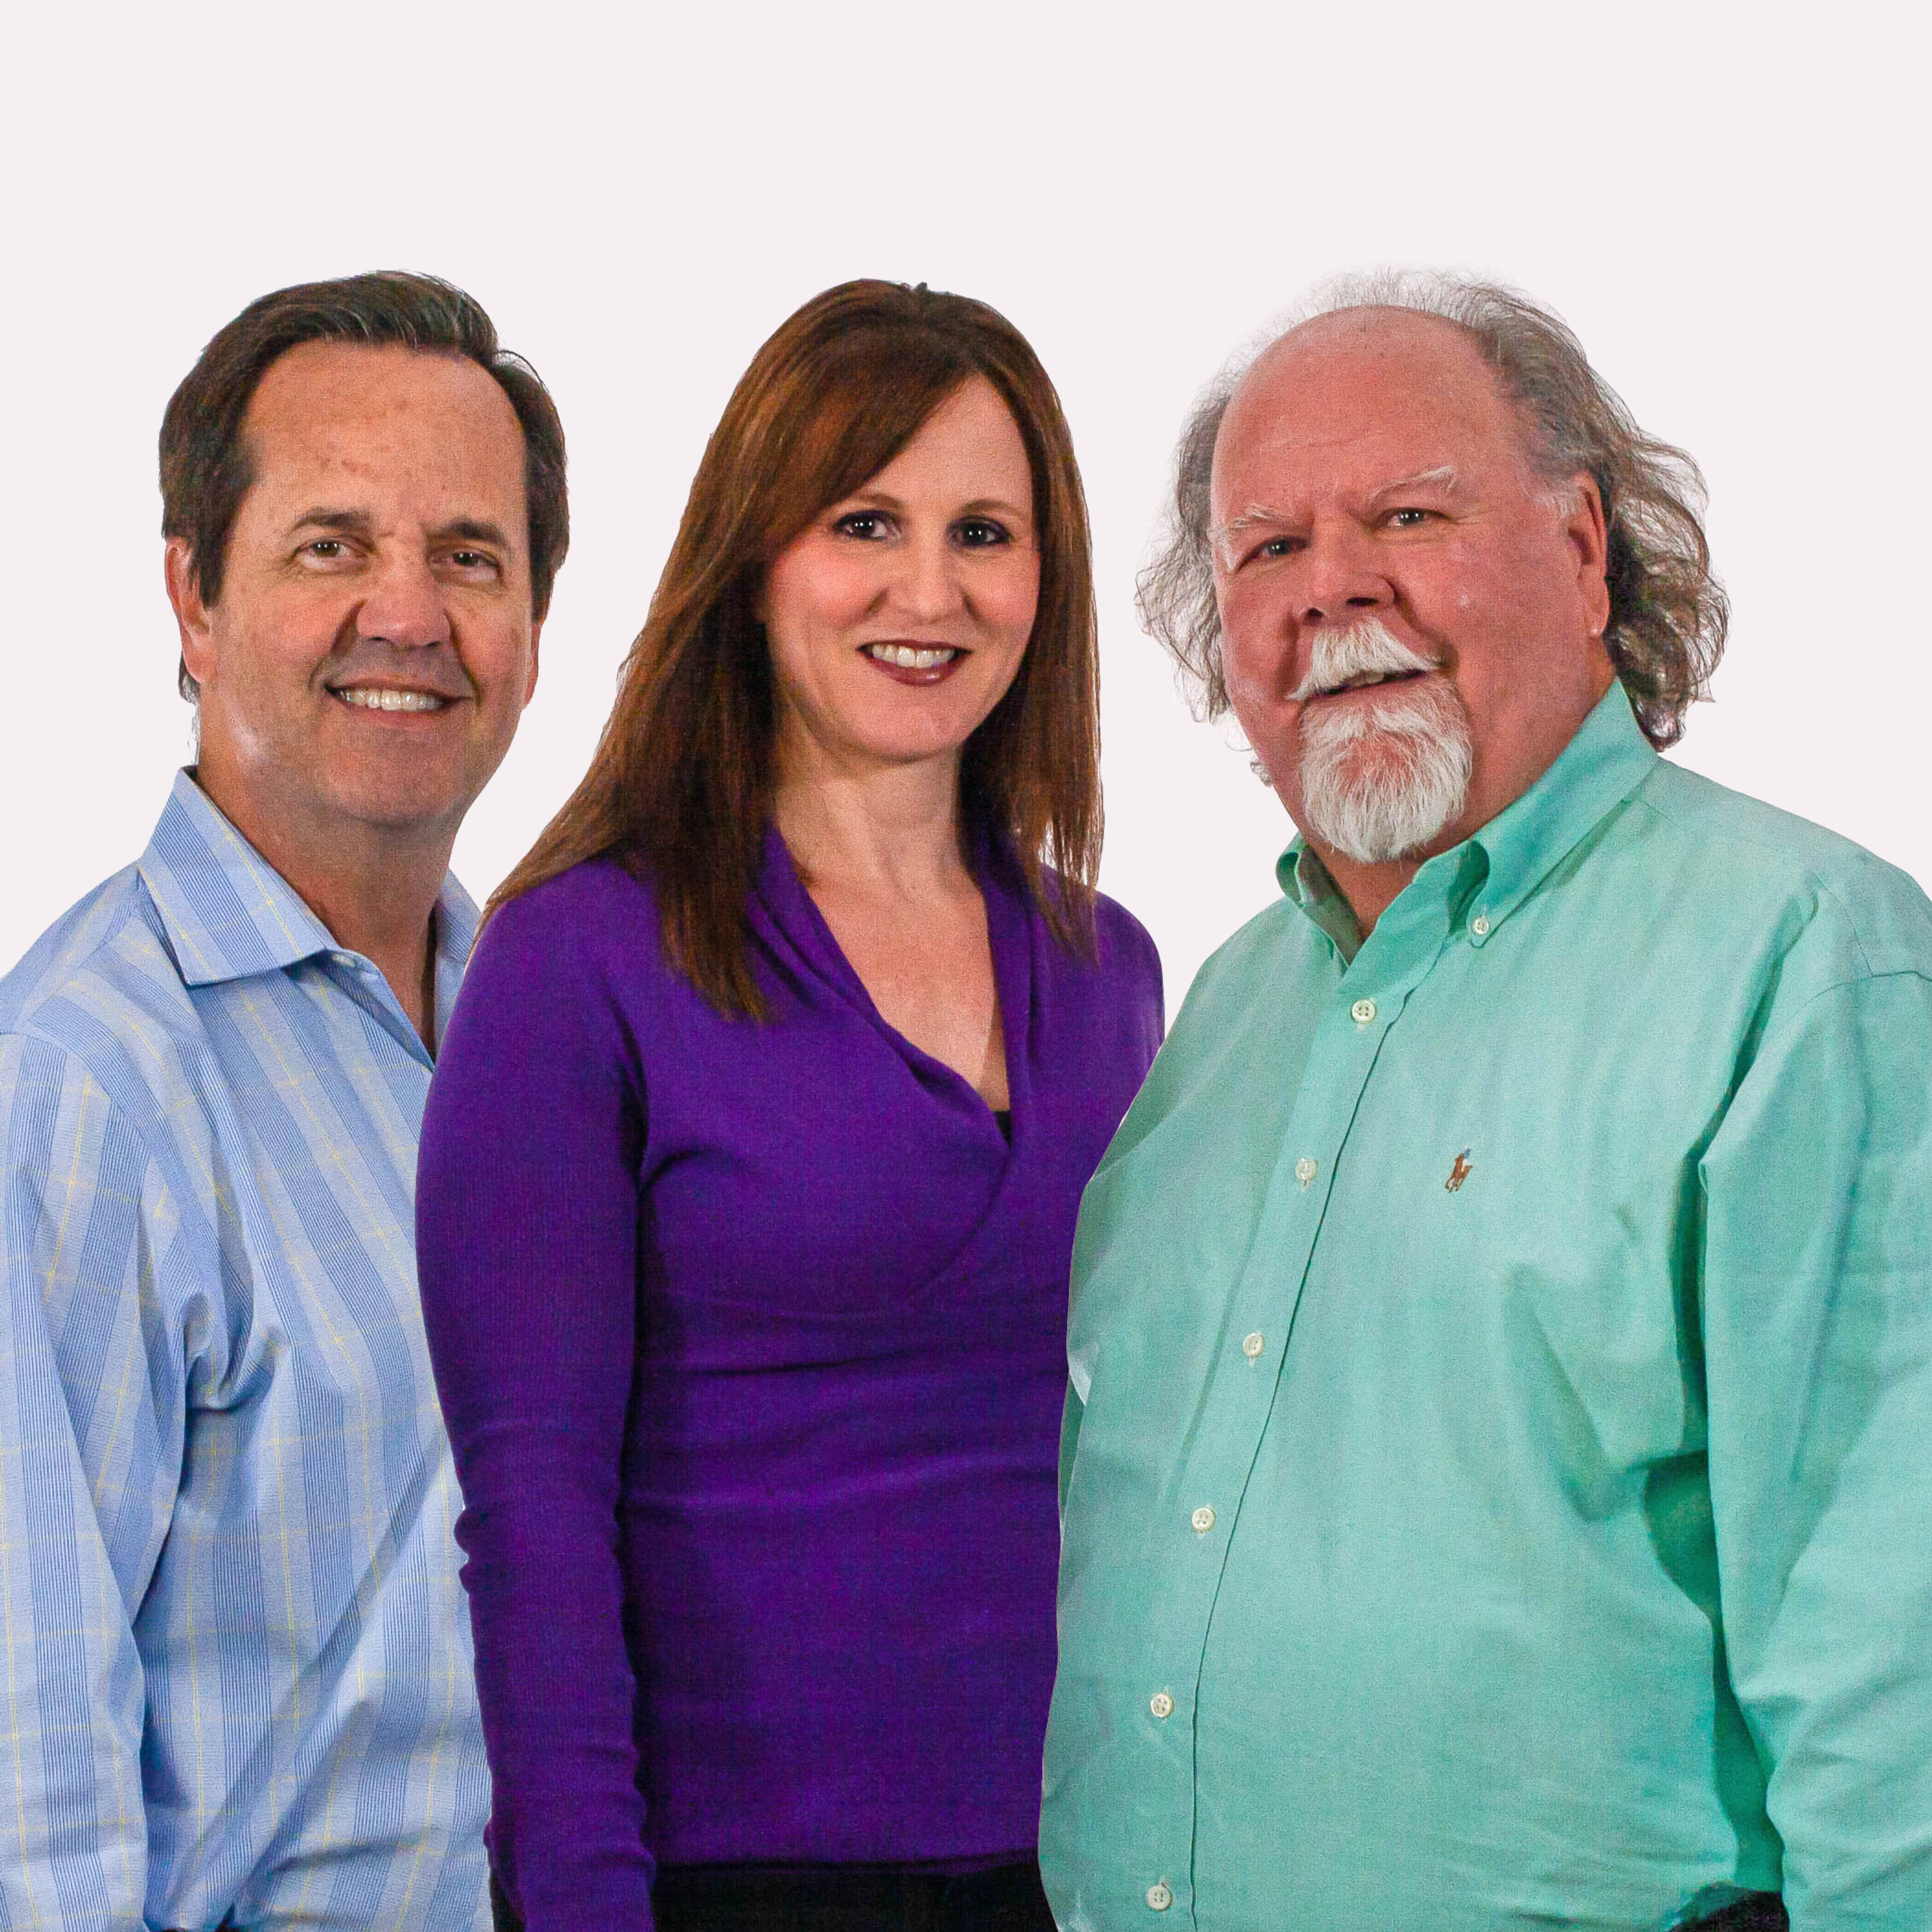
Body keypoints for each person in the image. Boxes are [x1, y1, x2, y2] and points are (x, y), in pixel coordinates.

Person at [1039, 272, 1932, 1931]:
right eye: (1268, 548)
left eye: (1408, 515)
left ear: (1585, 551)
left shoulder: (1805, 962)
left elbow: (1894, 1668)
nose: (1333, 588)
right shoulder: (1221, 1017)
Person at [413, 279, 1164, 1932]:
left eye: (985, 534)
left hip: (1091, 1868)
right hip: (731, 1882)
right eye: (864, 523)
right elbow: (534, 1519)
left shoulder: (1109, 970)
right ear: (753, 560)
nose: (929, 591)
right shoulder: (578, 960)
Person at [0, 271, 565, 1931]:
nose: (409, 614)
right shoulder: (79, 1085)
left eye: (470, 557)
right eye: (332, 546)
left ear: (536, 626)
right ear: (194, 597)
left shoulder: (550, 1037)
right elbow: (28, 1793)